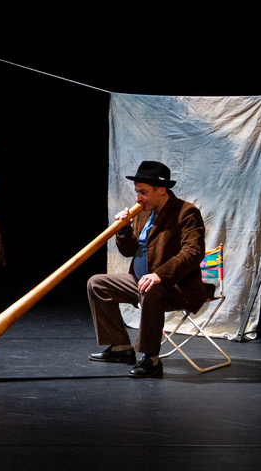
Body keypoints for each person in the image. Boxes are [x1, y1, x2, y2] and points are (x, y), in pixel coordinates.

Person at [86, 161, 207, 378]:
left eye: (143, 192)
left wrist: (160, 275)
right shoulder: (143, 212)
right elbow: (129, 251)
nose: (138, 198)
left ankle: (152, 359)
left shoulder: (186, 212)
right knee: (97, 284)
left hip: (175, 288)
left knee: (151, 288)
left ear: (161, 190)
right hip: (140, 282)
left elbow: (194, 252)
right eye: (137, 192)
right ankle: (120, 347)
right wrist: (124, 230)